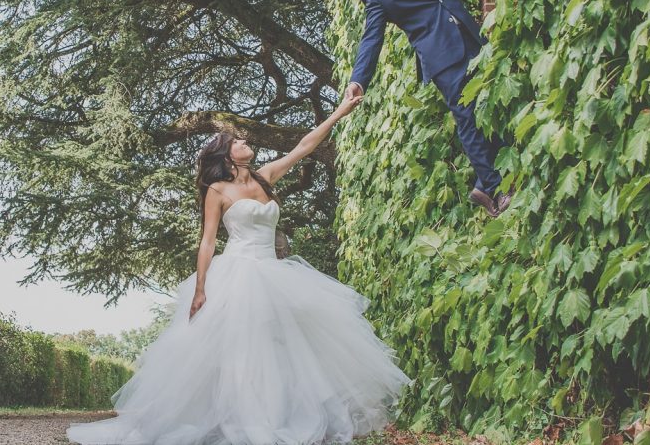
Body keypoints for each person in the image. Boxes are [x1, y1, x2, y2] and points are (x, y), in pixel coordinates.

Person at [66, 96, 410, 445]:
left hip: (274, 273)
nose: (246, 142)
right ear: (228, 155)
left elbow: (305, 146)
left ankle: (280, 414)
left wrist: (340, 112)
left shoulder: (265, 178)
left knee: (279, 347)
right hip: (238, 273)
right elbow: (208, 242)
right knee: (241, 350)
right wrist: (201, 289)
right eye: (239, 141)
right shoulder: (217, 190)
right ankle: (238, 417)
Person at [345, 0, 512, 217]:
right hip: (441, 57)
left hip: (471, 41)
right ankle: (496, 189)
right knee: (467, 119)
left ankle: (485, 184)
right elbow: (372, 38)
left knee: (489, 105)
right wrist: (359, 79)